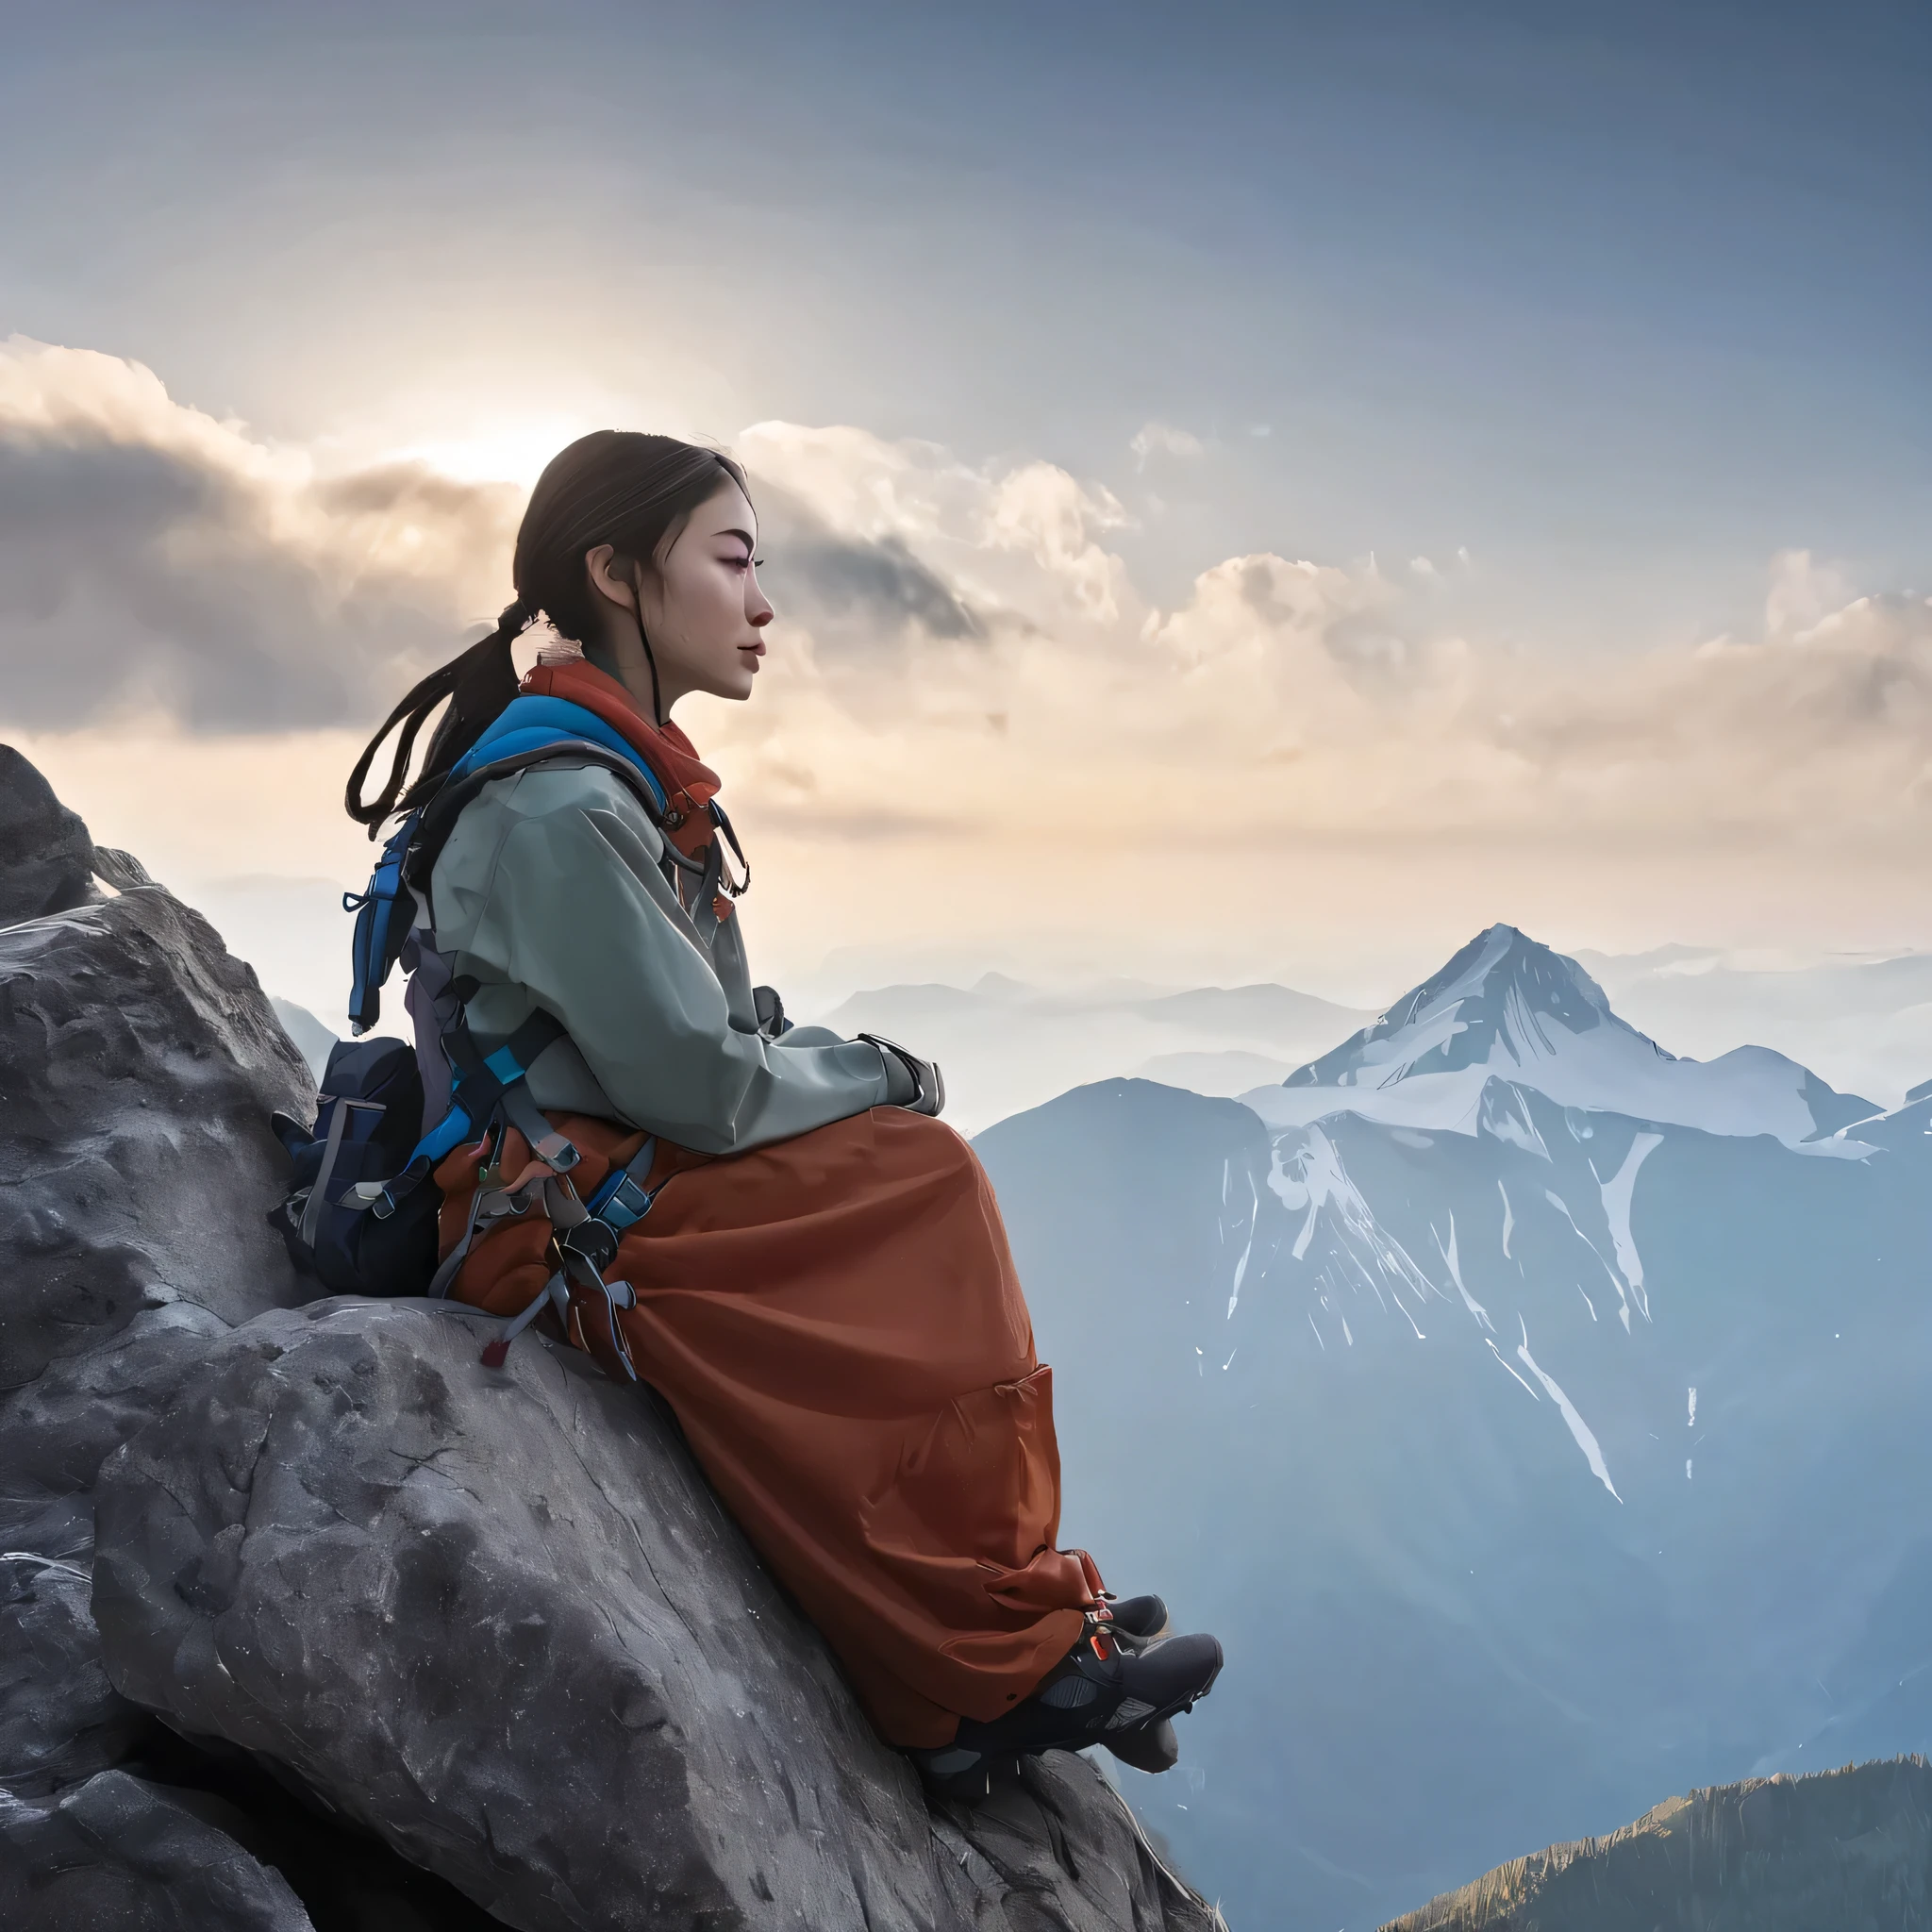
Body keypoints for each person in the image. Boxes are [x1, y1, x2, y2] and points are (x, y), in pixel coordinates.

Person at [344, 430, 1223, 1795]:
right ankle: (995, 1662)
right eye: (735, 561)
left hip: (596, 1188)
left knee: (909, 1187)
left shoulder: (608, 781)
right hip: (562, 1231)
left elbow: (713, 1044)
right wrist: (879, 1073)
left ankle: (1012, 1624)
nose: (763, 605)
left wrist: (854, 1076)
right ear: (618, 574)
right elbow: (698, 1079)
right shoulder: (563, 809)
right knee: (924, 1185)